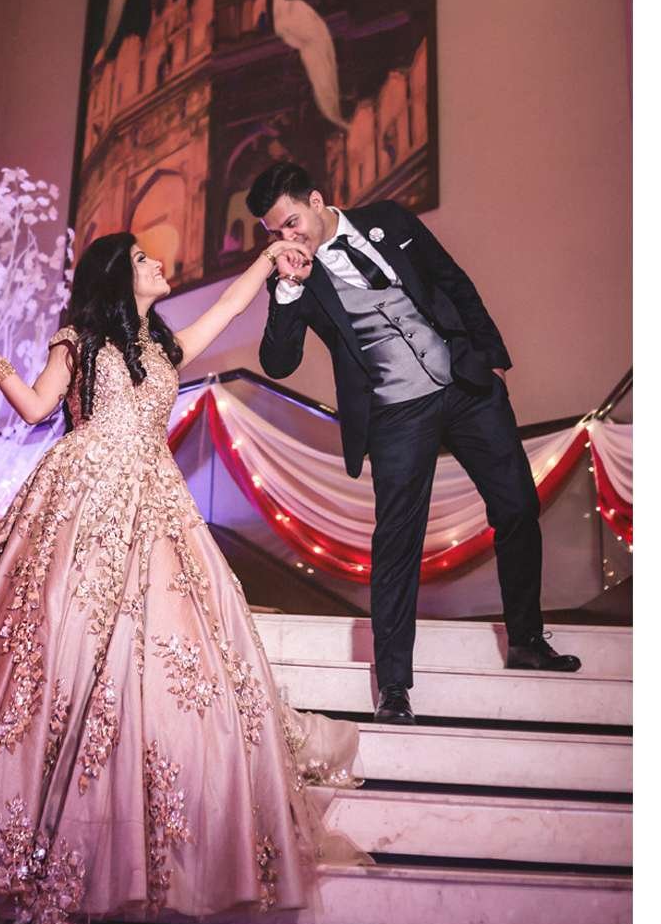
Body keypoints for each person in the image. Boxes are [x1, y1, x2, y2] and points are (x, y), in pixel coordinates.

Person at [0, 231, 360, 924]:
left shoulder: (168, 348)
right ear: (117, 275)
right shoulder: (78, 340)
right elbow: (34, 408)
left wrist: (269, 259)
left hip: (156, 500)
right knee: (59, 642)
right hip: (80, 496)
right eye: (143, 258)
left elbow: (233, 306)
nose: (160, 263)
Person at [245, 162, 581, 727]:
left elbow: (452, 280)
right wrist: (288, 288)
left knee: (518, 505)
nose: (287, 238)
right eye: (275, 232)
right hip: (396, 411)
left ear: (317, 201)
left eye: (292, 223)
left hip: (464, 385)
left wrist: (491, 358)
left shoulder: (389, 220)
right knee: (397, 543)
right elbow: (278, 362)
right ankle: (394, 686)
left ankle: (526, 639)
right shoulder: (297, 276)